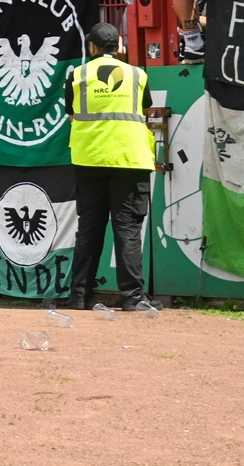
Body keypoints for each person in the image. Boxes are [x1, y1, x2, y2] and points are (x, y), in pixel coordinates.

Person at [65, 22, 155, 312]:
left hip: (89, 158)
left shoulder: (77, 75)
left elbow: (71, 113)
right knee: (126, 228)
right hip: (130, 159)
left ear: (91, 47)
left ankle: (79, 297)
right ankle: (132, 298)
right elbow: (145, 109)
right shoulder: (138, 75)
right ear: (118, 46)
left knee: (89, 228)